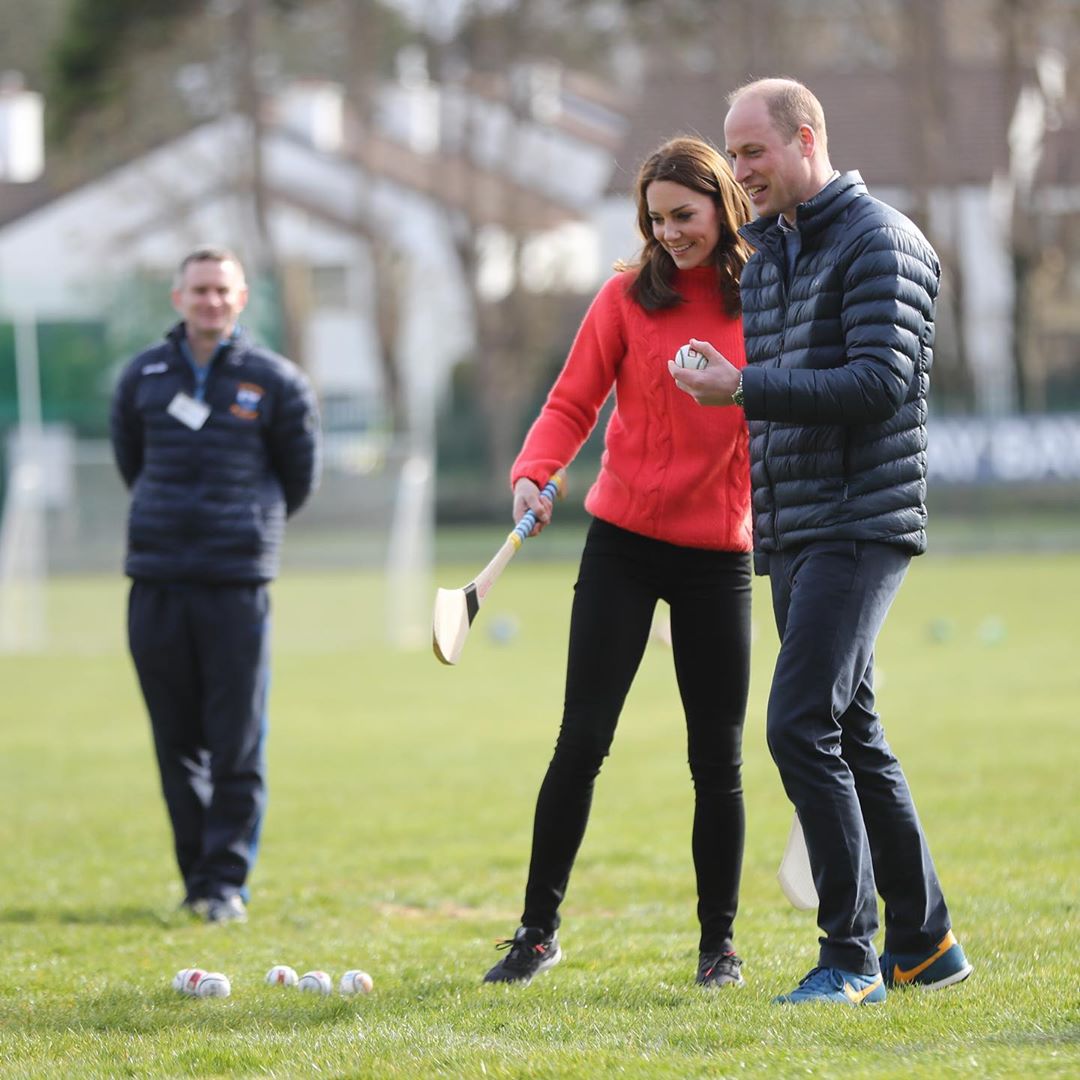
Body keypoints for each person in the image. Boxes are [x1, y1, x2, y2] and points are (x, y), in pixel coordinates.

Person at [670, 78, 973, 1005]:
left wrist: (744, 387)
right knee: (852, 731)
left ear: (807, 140)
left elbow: (880, 383)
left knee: (798, 723)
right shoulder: (766, 257)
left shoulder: (883, 239)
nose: (740, 171)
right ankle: (926, 948)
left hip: (859, 518)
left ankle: (848, 956)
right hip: (796, 528)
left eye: (753, 151)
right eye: (733, 153)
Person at [482, 137, 755, 989]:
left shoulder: (771, 298)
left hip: (719, 556)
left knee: (718, 758)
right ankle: (535, 933)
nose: (670, 232)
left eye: (685, 214)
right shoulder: (622, 298)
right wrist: (534, 472)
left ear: (722, 207)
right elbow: (571, 402)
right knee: (581, 741)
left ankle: (719, 949)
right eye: (656, 218)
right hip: (623, 547)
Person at [110, 246, 320, 923]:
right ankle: (196, 879)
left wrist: (241, 527)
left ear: (241, 298)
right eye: (198, 290)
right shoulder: (142, 376)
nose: (210, 301)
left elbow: (298, 478)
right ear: (178, 298)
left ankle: (225, 883)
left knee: (236, 741)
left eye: (221, 290)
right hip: (157, 579)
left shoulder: (277, 381)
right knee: (176, 740)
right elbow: (129, 460)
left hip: (236, 583)